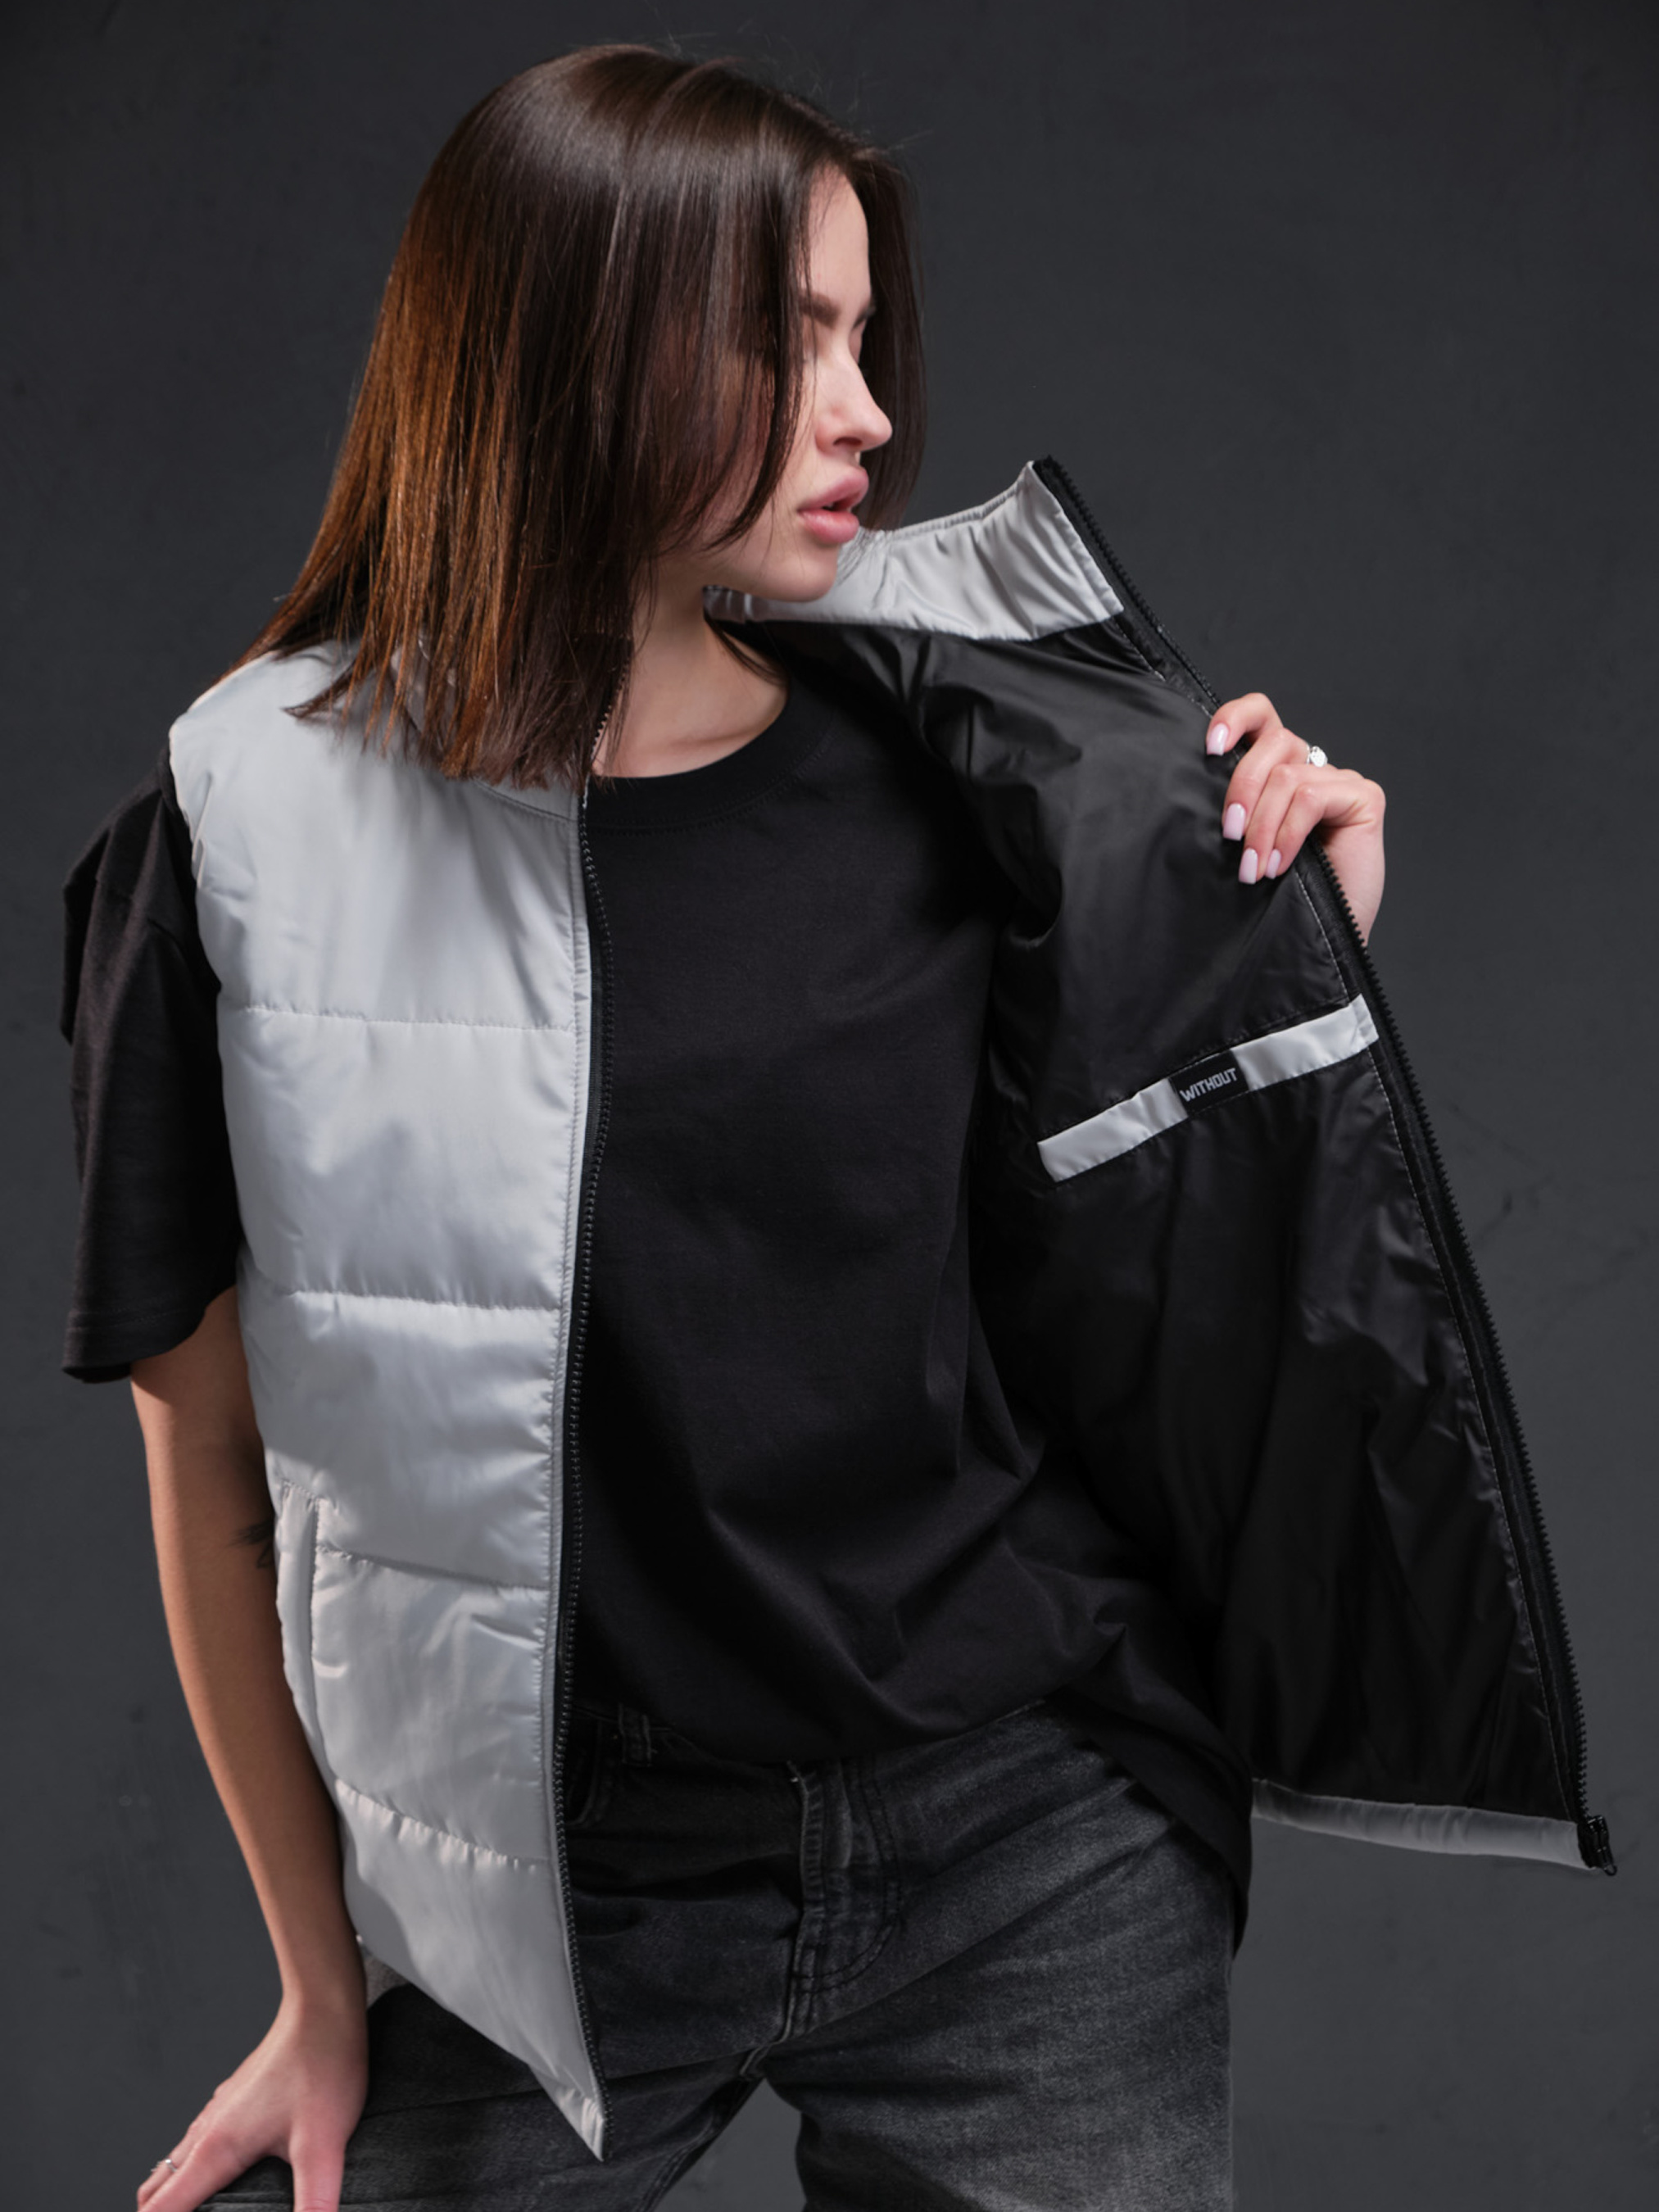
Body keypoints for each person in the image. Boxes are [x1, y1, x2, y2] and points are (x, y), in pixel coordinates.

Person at [61, 43, 1606, 2212]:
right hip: (554, 1889)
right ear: (567, 342)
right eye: (787, 338)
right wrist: (323, 1987)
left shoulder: (978, 773)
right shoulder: (241, 843)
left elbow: (1134, 1265)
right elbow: (214, 1474)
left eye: (865, 336)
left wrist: (1288, 950)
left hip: (1032, 1849)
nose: (867, 409)